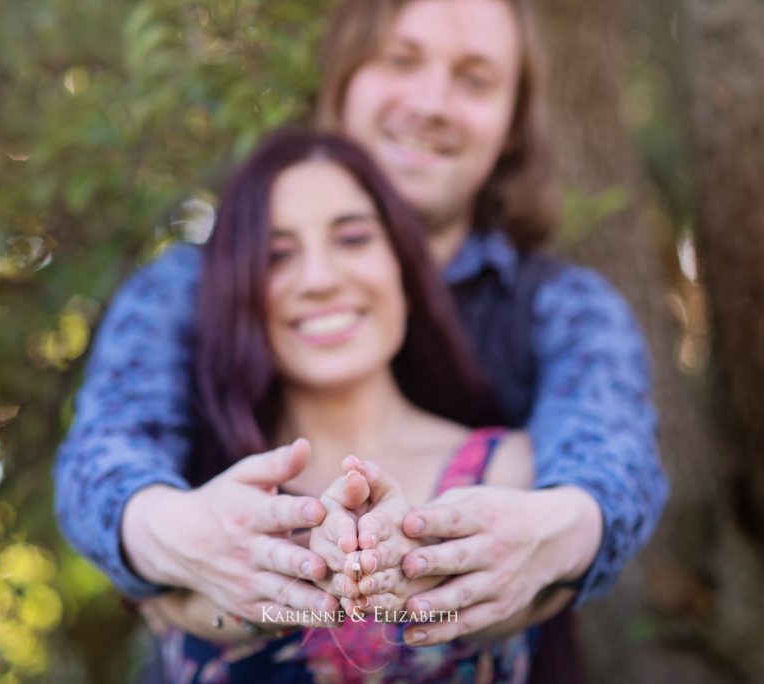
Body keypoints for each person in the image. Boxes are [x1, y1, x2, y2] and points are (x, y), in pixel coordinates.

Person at [54, 0, 667, 673]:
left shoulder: (563, 307)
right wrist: (171, 542)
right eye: (401, 60)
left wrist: (556, 538)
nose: (432, 102)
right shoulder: (185, 290)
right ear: (342, 78)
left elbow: (613, 459)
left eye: (476, 79)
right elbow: (104, 456)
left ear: (513, 126)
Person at [149, 127, 552, 682]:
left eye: (353, 239)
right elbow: (167, 606)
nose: (318, 280)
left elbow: (536, 597)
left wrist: (408, 570)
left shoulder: (515, 467)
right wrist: (303, 580)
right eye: (278, 254)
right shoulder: (188, 488)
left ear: (405, 271)